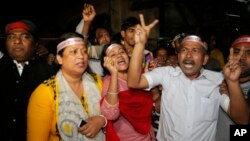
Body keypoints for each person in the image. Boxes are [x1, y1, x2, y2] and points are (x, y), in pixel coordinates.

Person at [127, 20, 249, 140]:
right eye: (184, 50)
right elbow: (134, 82)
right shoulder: (166, 74)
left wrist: (232, 82)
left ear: (205, 59)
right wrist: (140, 45)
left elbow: (242, 120)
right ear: (178, 56)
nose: (188, 55)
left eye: (195, 50)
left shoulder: (217, 80)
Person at [27, 32, 106, 141]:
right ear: (59, 58)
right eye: (74, 52)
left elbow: (112, 111)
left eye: (84, 51)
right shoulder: (44, 92)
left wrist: (102, 120)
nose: (81, 56)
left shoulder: (97, 81)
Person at [0, 20, 54, 141]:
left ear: (35, 44)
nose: (17, 41)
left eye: (24, 37)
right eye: (11, 37)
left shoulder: (49, 74)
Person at [76, 3, 112, 77]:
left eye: (107, 35)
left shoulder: (117, 49)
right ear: (96, 40)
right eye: (101, 36)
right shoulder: (91, 57)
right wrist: (87, 22)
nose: (105, 38)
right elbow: (81, 43)